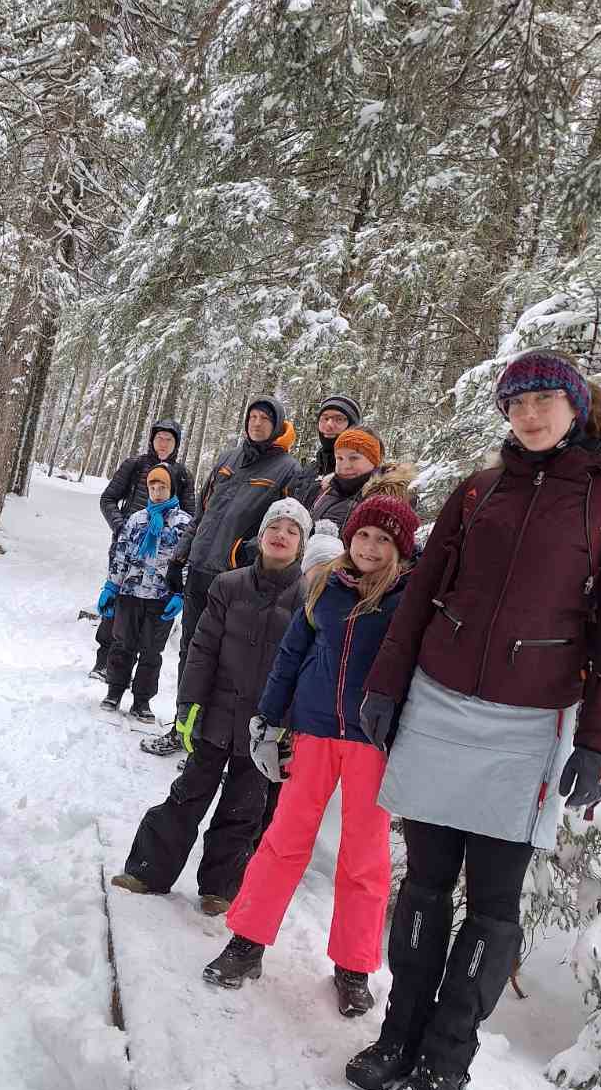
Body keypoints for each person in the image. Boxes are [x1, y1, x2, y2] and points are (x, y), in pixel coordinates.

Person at [346, 349, 601, 1090]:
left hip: (529, 725)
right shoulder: (479, 490)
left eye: (544, 399)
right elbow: (422, 592)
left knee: (491, 904)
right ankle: (398, 1036)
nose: (529, 414)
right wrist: (387, 682)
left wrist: (599, 741)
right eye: (516, 403)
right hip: (439, 703)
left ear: (576, 407)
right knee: (423, 884)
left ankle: (447, 1059)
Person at [202, 489, 421, 1015]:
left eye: (383, 539)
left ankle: (353, 966)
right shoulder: (324, 586)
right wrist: (268, 718)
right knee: (283, 840)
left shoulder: (408, 601)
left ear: (400, 549)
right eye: (362, 534)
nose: (369, 547)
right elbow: (290, 654)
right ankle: (247, 943)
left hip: (372, 743)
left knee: (365, 858)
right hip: (313, 731)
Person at [111, 498, 312, 912]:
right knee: (187, 795)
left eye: (292, 531)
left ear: (302, 544)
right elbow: (202, 650)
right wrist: (189, 706)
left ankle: (221, 888)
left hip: (266, 728)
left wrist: (290, 725)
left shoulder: (309, 598)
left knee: (244, 809)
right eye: (275, 527)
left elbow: (307, 670)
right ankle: (148, 870)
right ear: (261, 535)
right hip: (216, 715)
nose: (281, 535)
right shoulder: (228, 585)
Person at [140, 395, 302, 756]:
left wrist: (245, 556)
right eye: (252, 416)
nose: (257, 423)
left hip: (238, 581)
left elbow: (285, 526)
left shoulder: (287, 469)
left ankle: (209, 743)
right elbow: (203, 513)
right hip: (200, 571)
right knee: (192, 653)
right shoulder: (228, 459)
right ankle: (183, 729)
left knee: (226, 661)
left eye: (265, 419)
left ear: (277, 426)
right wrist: (180, 557)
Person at [93, 419, 194, 681]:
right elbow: (108, 499)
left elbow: (190, 517)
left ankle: (135, 673)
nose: (163, 444)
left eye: (169, 440)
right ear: (152, 439)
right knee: (116, 601)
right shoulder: (135, 465)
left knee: (149, 616)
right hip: (128, 547)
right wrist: (121, 525)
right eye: (159, 438)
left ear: (176, 444)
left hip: (163, 557)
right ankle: (103, 661)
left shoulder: (182, 474)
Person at [96, 464, 192, 723]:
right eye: (153, 487)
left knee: (151, 652)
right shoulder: (136, 519)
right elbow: (121, 555)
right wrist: (111, 587)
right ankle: (114, 691)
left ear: (172, 489)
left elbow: (187, 562)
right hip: (130, 594)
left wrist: (180, 594)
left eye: (162, 487)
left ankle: (142, 701)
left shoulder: (183, 523)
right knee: (122, 645)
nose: (157, 492)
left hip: (161, 599)